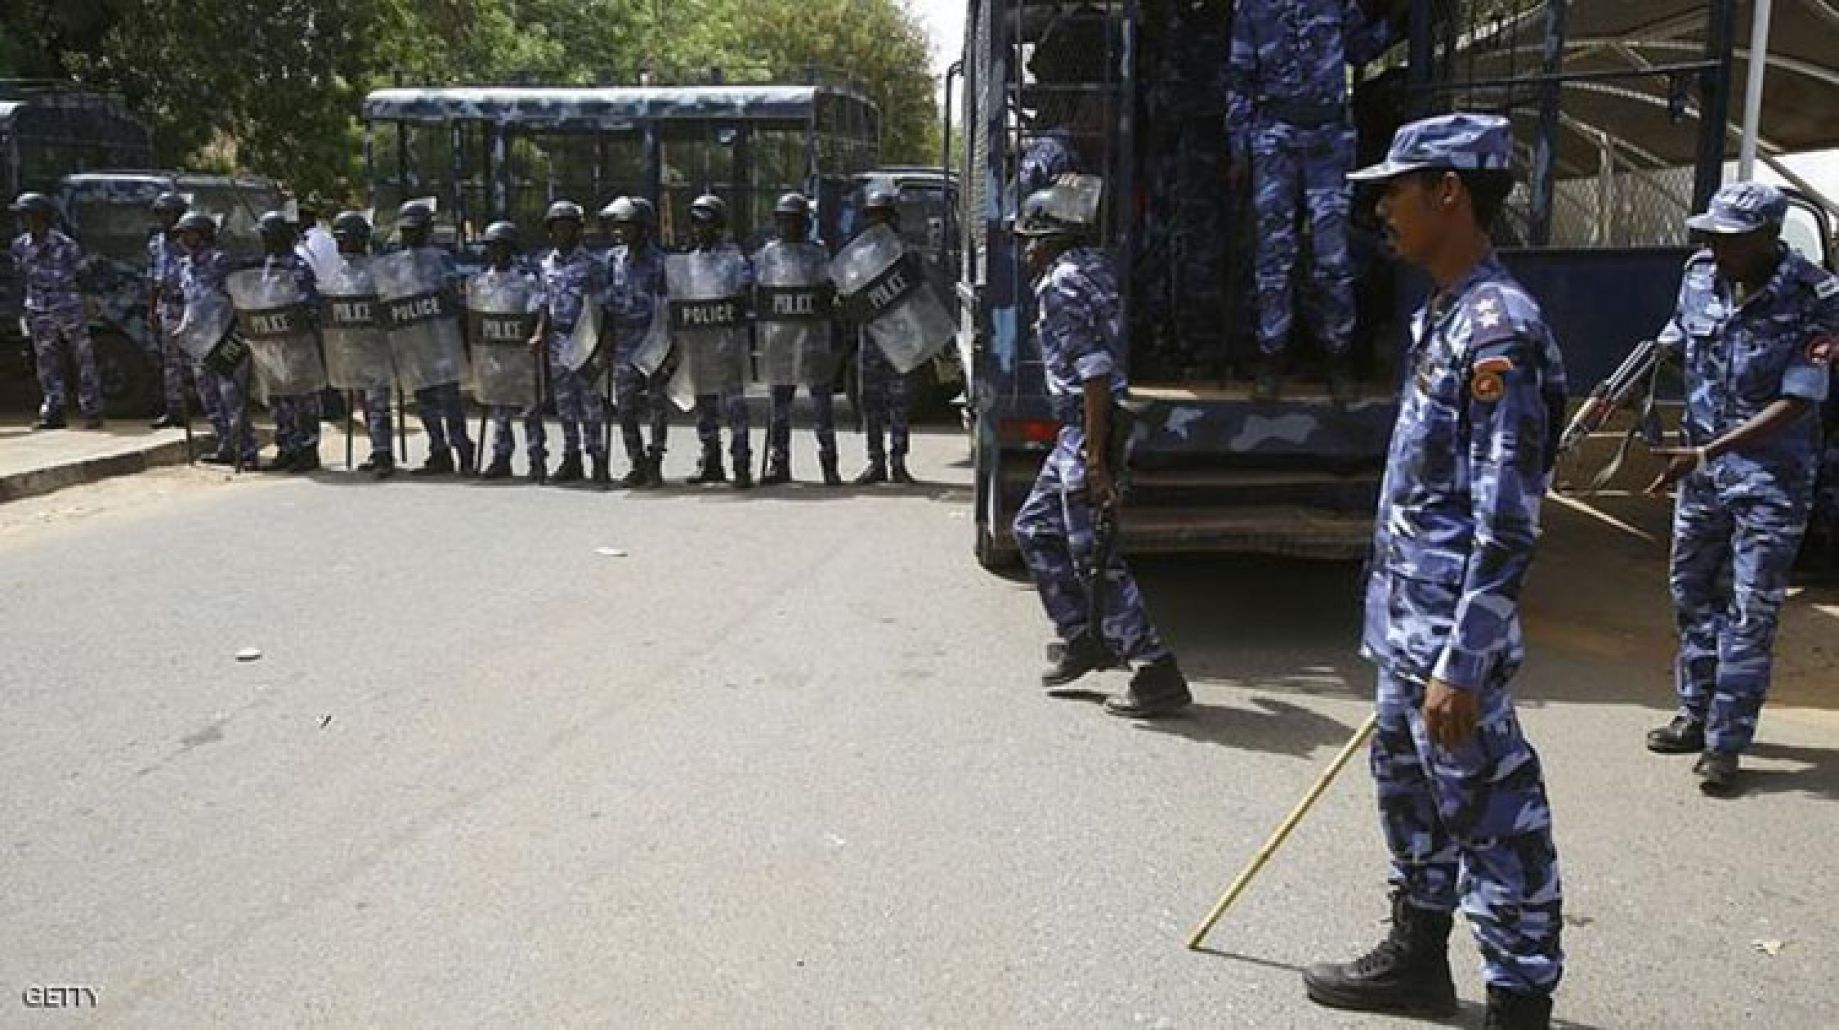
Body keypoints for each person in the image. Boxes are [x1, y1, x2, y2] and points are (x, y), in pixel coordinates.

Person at [1301, 113, 1565, 1030]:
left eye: (1396, 188)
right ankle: (1416, 960)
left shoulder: (1500, 332)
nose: (1381, 206)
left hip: (1452, 635)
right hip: (1410, 626)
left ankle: (1518, 999)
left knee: (1493, 816)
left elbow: (1506, 518)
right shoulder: (1443, 314)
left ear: (1448, 191)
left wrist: (1461, 660)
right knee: (1409, 797)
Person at [1639, 181, 1839, 795]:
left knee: (1751, 611)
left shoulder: (1816, 297)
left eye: (1730, 238)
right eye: (1712, 235)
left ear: (1767, 239)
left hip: (1771, 480)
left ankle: (1727, 743)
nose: (1715, 246)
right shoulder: (1700, 274)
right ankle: (1696, 714)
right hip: (1701, 474)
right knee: (1692, 594)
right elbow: (1677, 334)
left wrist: (1706, 450)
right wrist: (1627, 381)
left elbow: (1798, 400)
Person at [1010, 183, 1191, 719]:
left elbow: (1093, 372)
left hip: (1088, 430)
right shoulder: (1095, 269)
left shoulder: (1060, 286)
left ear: (1051, 240)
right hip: (1083, 431)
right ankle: (1084, 636)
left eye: (1030, 241)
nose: (1025, 252)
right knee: (1034, 528)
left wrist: (1093, 460)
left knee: (1096, 556)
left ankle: (1155, 669)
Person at [1224, 0, 1394, 402]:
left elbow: (1360, 49)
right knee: (1273, 255)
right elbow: (1239, 76)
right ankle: (1271, 358)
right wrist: (1238, 148)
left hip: (1329, 136)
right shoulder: (1251, 7)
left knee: (1331, 257)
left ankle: (1339, 357)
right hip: (1274, 135)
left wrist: (1396, 22)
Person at [757, 192, 842, 486]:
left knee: (822, 407)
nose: (789, 227)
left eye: (794, 221)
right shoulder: (768, 254)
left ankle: (829, 465)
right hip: (780, 340)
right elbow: (759, 291)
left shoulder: (817, 252)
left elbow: (830, 287)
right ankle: (779, 464)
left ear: (805, 222)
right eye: (784, 221)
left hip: (813, 339)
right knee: (779, 406)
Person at [528, 200, 608, 485]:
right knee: (564, 403)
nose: (562, 233)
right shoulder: (545, 264)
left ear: (577, 231)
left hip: (584, 337)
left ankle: (597, 457)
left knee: (590, 403)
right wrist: (539, 332)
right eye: (557, 228)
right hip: (557, 339)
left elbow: (602, 307)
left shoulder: (593, 265)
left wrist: (603, 342)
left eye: (568, 227)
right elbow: (543, 303)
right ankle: (571, 457)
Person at [395, 200, 476, 476]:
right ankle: (438, 451)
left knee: (449, 401)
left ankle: (462, 448)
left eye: (414, 230)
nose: (409, 236)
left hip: (441, 342)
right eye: (406, 231)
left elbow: (453, 295)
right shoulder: (397, 263)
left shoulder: (440, 260)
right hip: (415, 342)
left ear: (427, 230)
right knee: (425, 400)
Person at [10, 192, 102, 430]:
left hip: (67, 307)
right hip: (37, 309)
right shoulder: (20, 245)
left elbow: (84, 276)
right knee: (46, 361)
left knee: (83, 359)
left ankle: (92, 410)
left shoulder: (65, 245)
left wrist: (88, 304)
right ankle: (54, 411)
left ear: (41, 217)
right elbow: (20, 278)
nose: (24, 221)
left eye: (28, 216)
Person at [681, 194, 754, 489]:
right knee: (704, 407)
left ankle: (741, 464)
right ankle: (711, 461)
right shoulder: (689, 260)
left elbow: (745, 291)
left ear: (718, 225)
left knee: (735, 407)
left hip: (727, 344)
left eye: (705, 223)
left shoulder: (733, 259)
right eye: (696, 223)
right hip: (699, 344)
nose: (699, 229)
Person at [175, 211, 257, 467]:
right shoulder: (185, 265)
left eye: (189, 233)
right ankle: (225, 446)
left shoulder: (221, 262)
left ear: (204, 235)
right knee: (209, 397)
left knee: (233, 398)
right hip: (198, 341)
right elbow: (190, 301)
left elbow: (240, 297)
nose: (184, 239)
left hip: (225, 339)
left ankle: (246, 451)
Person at [603, 196, 671, 488]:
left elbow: (668, 306)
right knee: (625, 407)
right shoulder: (612, 259)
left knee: (657, 404)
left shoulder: (660, 263)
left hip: (653, 339)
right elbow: (603, 301)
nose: (620, 231)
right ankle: (637, 461)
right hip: (623, 341)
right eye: (618, 226)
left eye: (627, 225)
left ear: (643, 228)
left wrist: (669, 346)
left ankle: (655, 460)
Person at [473, 220, 548, 483]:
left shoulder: (526, 281)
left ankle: (536, 459)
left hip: (522, 355)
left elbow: (540, 310)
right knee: (499, 410)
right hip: (495, 355)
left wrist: (539, 333)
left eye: (502, 247)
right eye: (492, 247)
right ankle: (501, 458)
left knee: (530, 410)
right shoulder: (481, 283)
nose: (497, 253)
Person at [850, 188, 914, 486]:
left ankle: (898, 462)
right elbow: (849, 292)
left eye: (882, 216)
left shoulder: (906, 252)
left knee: (900, 402)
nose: (878, 222)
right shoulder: (859, 255)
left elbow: (919, 294)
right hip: (871, 337)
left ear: (893, 218)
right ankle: (875, 462)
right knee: (870, 401)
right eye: (873, 216)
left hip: (900, 336)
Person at [253, 210, 323, 472]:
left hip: (297, 344)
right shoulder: (268, 266)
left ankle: (307, 450)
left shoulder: (298, 267)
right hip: (272, 344)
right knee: (280, 400)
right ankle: (287, 448)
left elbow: (309, 306)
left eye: (267, 235)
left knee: (302, 400)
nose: (263, 240)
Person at [328, 211, 396, 479]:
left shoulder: (376, 271)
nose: (341, 246)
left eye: (346, 240)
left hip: (374, 345)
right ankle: (375, 448)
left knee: (378, 402)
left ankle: (384, 453)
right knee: (363, 403)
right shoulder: (339, 272)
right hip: (350, 346)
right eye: (339, 240)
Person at [147, 191, 215, 431]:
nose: (165, 219)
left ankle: (209, 409)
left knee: (198, 360)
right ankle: (175, 410)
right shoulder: (156, 243)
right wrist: (152, 309)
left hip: (190, 305)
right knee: (171, 362)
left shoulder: (189, 241)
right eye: (161, 214)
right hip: (167, 306)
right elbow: (154, 278)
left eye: (170, 214)